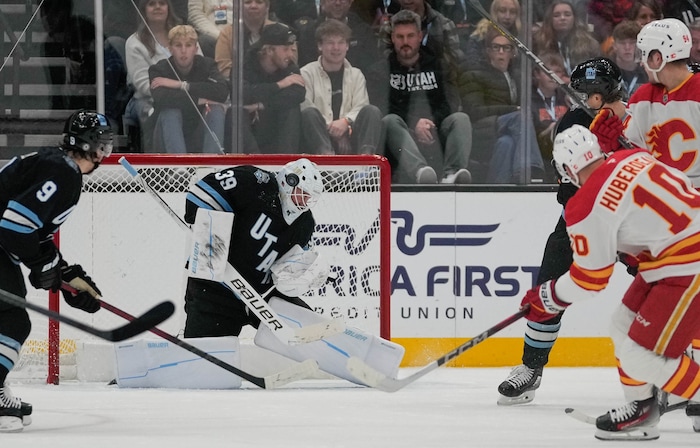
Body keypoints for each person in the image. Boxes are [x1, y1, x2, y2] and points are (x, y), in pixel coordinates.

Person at [520, 124, 700, 440]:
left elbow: (591, 279)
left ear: (565, 169)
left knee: (638, 354)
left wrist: (548, 296)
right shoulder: (633, 156)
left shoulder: (584, 205)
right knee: (621, 325)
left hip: (686, 261)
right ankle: (641, 410)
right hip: (669, 257)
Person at [182, 158, 404, 384]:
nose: (305, 202)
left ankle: (370, 366)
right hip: (214, 290)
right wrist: (210, 236)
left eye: (310, 197)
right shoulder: (253, 182)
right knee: (201, 371)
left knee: (311, 332)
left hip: (262, 296)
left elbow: (284, 275)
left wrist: (304, 275)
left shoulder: (304, 223)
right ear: (289, 181)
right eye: (302, 193)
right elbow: (199, 195)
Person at [589, 18, 700, 430]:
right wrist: (608, 133)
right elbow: (629, 150)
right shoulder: (645, 96)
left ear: (660, 55)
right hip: (664, 225)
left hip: (690, 225)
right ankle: (644, 404)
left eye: (645, 54)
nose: (641, 62)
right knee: (634, 324)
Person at [497, 56, 627, 405]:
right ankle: (531, 367)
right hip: (583, 217)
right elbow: (571, 186)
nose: (584, 100)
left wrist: (625, 147)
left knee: (671, 283)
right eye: (581, 93)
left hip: (635, 219)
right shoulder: (573, 122)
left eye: (590, 94)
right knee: (549, 283)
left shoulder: (638, 118)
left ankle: (683, 371)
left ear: (605, 92)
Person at [0, 110, 111, 432]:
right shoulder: (62, 171)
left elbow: (32, 236)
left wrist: (64, 276)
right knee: (12, 318)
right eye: (104, 145)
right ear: (91, 146)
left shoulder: (57, 166)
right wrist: (45, 267)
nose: (106, 152)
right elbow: (14, 228)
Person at [366, 9, 472, 184]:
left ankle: (451, 174)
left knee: (460, 119)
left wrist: (430, 122)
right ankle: (420, 172)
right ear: (392, 38)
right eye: (400, 37)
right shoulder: (380, 70)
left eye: (410, 36)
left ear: (419, 36)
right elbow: (384, 106)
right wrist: (415, 123)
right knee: (390, 120)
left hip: (435, 129)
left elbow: (450, 102)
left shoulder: (438, 64)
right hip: (401, 135)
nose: (405, 42)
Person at [460, 26, 545, 183]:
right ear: (488, 51)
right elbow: (474, 111)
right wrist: (512, 110)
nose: (500, 52)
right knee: (519, 118)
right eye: (496, 47)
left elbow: (529, 110)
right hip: (483, 129)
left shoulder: (518, 77)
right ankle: (531, 170)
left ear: (512, 53)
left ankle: (500, 188)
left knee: (506, 143)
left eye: (505, 47)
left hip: (508, 133)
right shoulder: (474, 74)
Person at [300, 19, 382, 155]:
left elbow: (361, 105)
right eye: (330, 43)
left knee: (372, 111)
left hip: (350, 135)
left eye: (341, 42)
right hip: (320, 137)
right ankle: (327, 161)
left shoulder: (356, 74)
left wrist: (345, 122)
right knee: (309, 113)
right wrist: (333, 129)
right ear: (320, 46)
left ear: (347, 46)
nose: (336, 48)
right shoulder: (306, 73)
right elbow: (306, 106)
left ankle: (366, 162)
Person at [149, 24, 229, 153]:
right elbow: (162, 99)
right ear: (170, 49)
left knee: (215, 109)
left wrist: (181, 85)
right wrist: (201, 100)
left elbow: (222, 91)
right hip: (165, 137)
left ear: (196, 49)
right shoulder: (159, 69)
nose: (184, 51)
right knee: (171, 111)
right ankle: (179, 168)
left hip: (198, 134)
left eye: (188, 45)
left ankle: (212, 165)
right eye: (178, 45)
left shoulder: (207, 65)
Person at [124, 0, 185, 152]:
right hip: (147, 100)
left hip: (184, 95)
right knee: (169, 110)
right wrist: (180, 91)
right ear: (144, 10)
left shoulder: (184, 37)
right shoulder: (134, 42)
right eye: (152, 4)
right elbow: (144, 85)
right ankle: (177, 168)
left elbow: (200, 70)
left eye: (162, 3)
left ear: (169, 8)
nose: (157, 7)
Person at [242, 22, 305, 154]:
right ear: (270, 50)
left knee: (291, 108)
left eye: (291, 48)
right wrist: (280, 85)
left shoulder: (289, 65)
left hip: (275, 126)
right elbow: (243, 94)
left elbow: (298, 94)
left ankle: (287, 162)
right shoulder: (246, 64)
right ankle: (253, 162)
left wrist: (262, 105)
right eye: (285, 49)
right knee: (237, 112)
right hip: (252, 128)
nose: (290, 54)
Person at [295, 0, 380, 74]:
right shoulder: (309, 34)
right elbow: (305, 67)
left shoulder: (363, 32)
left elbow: (372, 66)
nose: (338, 3)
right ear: (322, 1)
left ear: (350, 2)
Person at [214, 0, 280, 79]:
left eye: (259, 2)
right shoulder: (226, 33)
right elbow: (224, 69)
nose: (253, 6)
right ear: (239, 7)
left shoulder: (280, 31)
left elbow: (288, 64)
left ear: (267, 7)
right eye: (248, 2)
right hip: (238, 86)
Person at [532, 0, 601, 75]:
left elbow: (593, 76)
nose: (562, 18)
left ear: (574, 18)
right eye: (556, 15)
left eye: (567, 14)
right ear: (550, 19)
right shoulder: (539, 43)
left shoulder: (589, 45)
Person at [530, 52, 569, 181]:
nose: (553, 76)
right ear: (537, 74)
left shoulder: (567, 98)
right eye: (548, 72)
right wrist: (551, 128)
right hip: (541, 151)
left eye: (558, 72)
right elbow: (531, 135)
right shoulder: (528, 98)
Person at [462, 0, 521, 71]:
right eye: (502, 11)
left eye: (512, 12)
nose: (507, 16)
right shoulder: (480, 37)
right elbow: (473, 66)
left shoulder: (521, 38)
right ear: (494, 12)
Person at [608, 20, 648, 99]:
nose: (627, 48)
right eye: (622, 43)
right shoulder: (605, 71)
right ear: (614, 45)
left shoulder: (648, 72)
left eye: (632, 42)